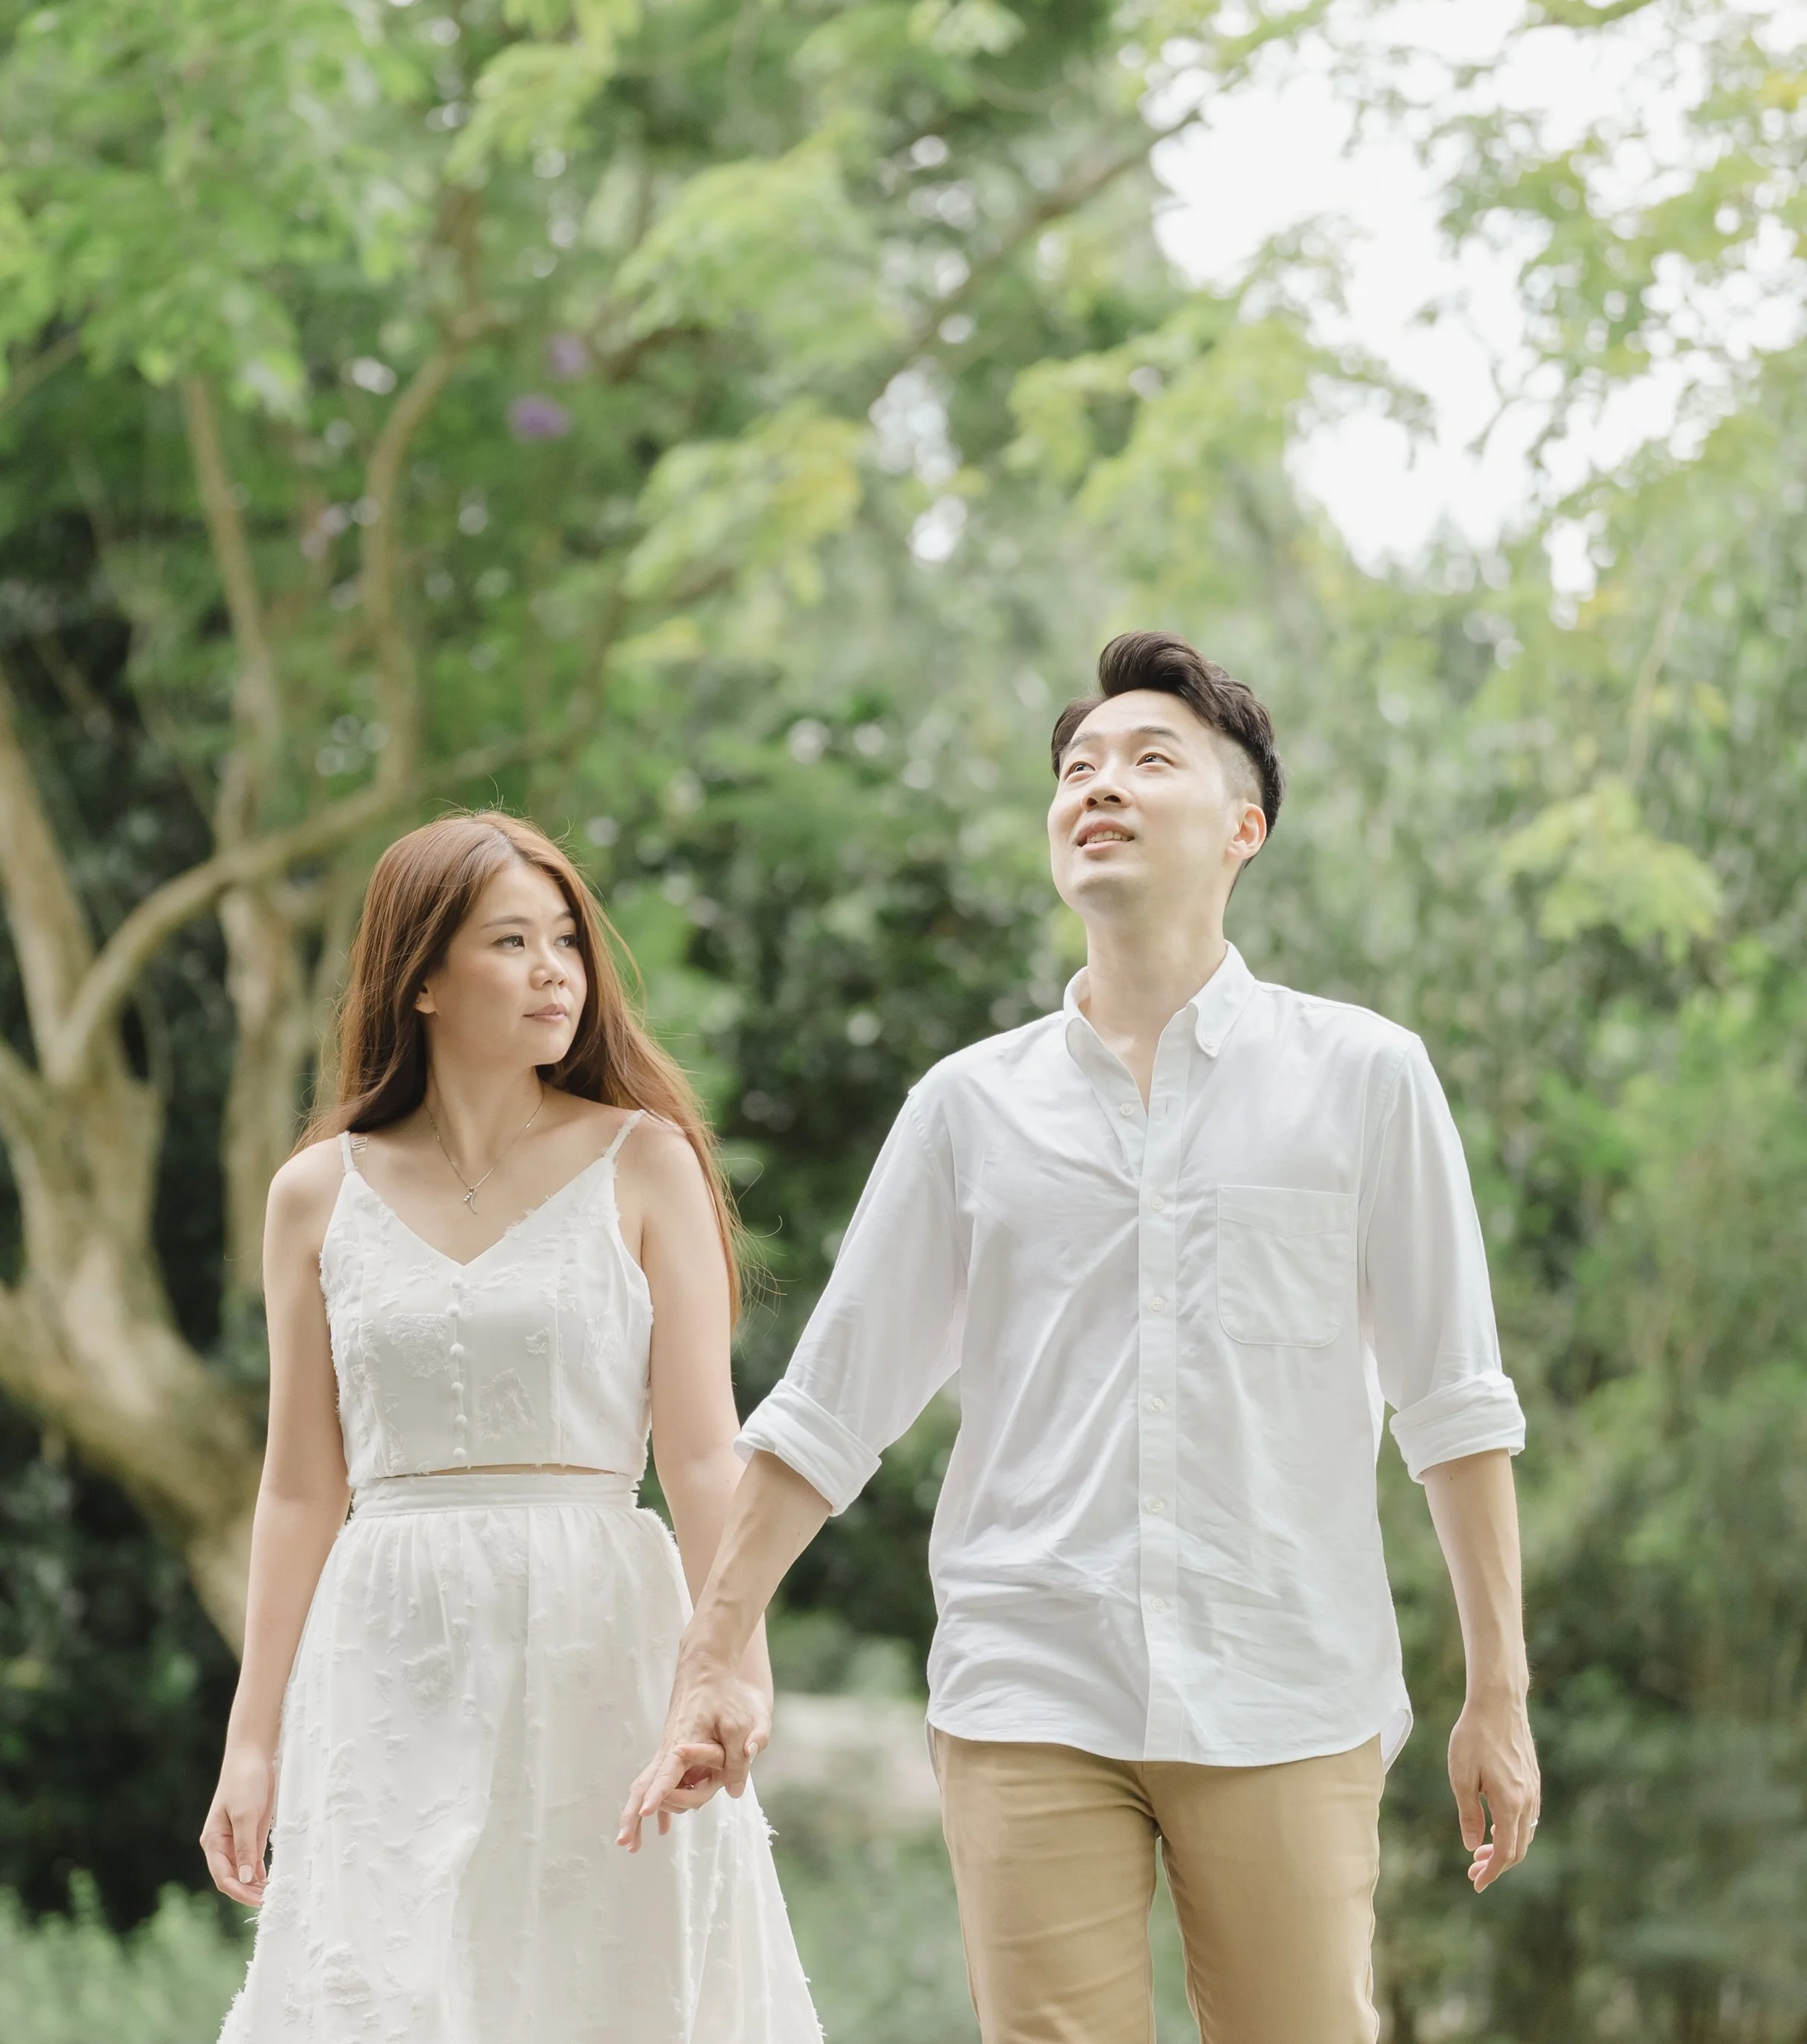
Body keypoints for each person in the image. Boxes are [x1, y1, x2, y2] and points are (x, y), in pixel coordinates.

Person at [621, 633, 1540, 2044]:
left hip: (1286, 1680)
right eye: (1076, 768)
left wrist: (1498, 1689)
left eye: (1149, 759)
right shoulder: (965, 1107)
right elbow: (828, 1408)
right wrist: (714, 1647)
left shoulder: (1365, 1078)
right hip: (1029, 1676)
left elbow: (1454, 1402)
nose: (1099, 785)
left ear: (1246, 827)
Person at [202, 810, 820, 2044]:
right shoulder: (314, 1193)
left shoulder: (648, 1162)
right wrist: (252, 1736)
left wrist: (733, 1668)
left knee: (607, 1992)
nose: (556, 971)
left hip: (604, 1636)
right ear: (420, 977)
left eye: (567, 942)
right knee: (386, 1996)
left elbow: (703, 1453)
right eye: (511, 941)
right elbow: (297, 1489)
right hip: (388, 1646)